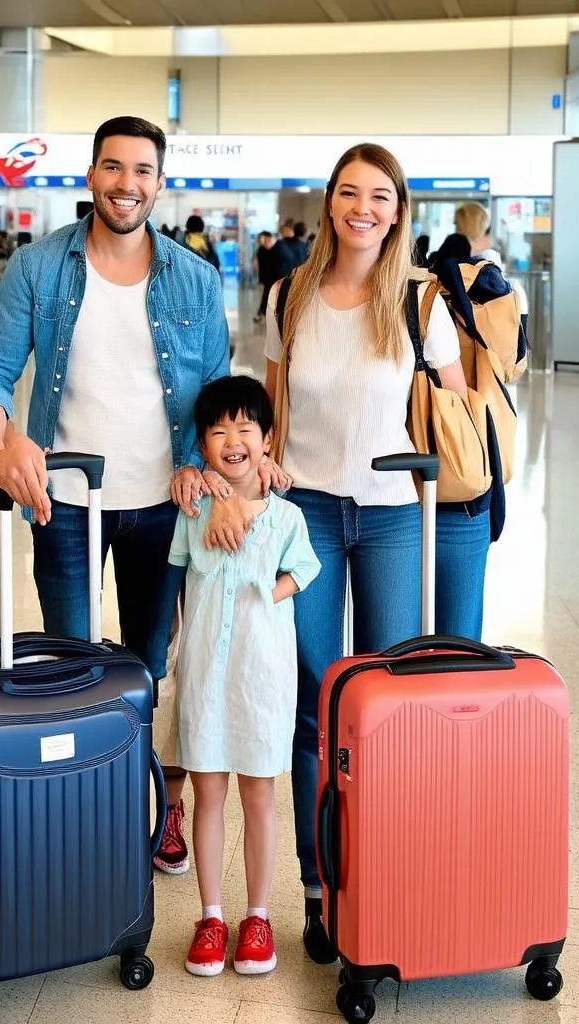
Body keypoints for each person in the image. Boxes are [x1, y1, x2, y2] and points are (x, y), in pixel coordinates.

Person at [0, 115, 230, 875]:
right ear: (91, 176)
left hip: (161, 504)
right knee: (73, 665)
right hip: (64, 504)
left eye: (142, 171)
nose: (127, 184)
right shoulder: (40, 266)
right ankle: (82, 814)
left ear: (158, 181)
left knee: (148, 668)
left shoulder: (194, 278)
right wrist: (0, 444)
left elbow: (214, 395)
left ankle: (155, 806)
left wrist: (208, 466)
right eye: (113, 168)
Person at [263, 143, 469, 961]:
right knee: (316, 696)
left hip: (393, 515)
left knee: (386, 699)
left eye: (379, 196)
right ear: (330, 203)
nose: (363, 208)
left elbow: (458, 408)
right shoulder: (291, 293)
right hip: (305, 512)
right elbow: (274, 406)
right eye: (350, 193)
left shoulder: (420, 303)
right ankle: (319, 886)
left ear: (398, 209)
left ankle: (386, 873)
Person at [168, 375, 320, 977]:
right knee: (209, 792)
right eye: (218, 430)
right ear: (202, 445)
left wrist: (270, 592)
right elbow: (183, 580)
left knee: (259, 796)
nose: (232, 440)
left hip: (263, 682)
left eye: (245, 428)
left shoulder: (285, 518)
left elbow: (304, 570)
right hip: (206, 678)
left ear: (267, 440)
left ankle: (257, 917)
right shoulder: (193, 512)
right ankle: (211, 915)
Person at [253, 231, 276, 322]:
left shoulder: (273, 249)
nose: (265, 240)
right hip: (267, 277)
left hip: (272, 276)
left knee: (267, 296)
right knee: (266, 295)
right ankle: (261, 314)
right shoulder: (262, 249)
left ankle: (261, 314)